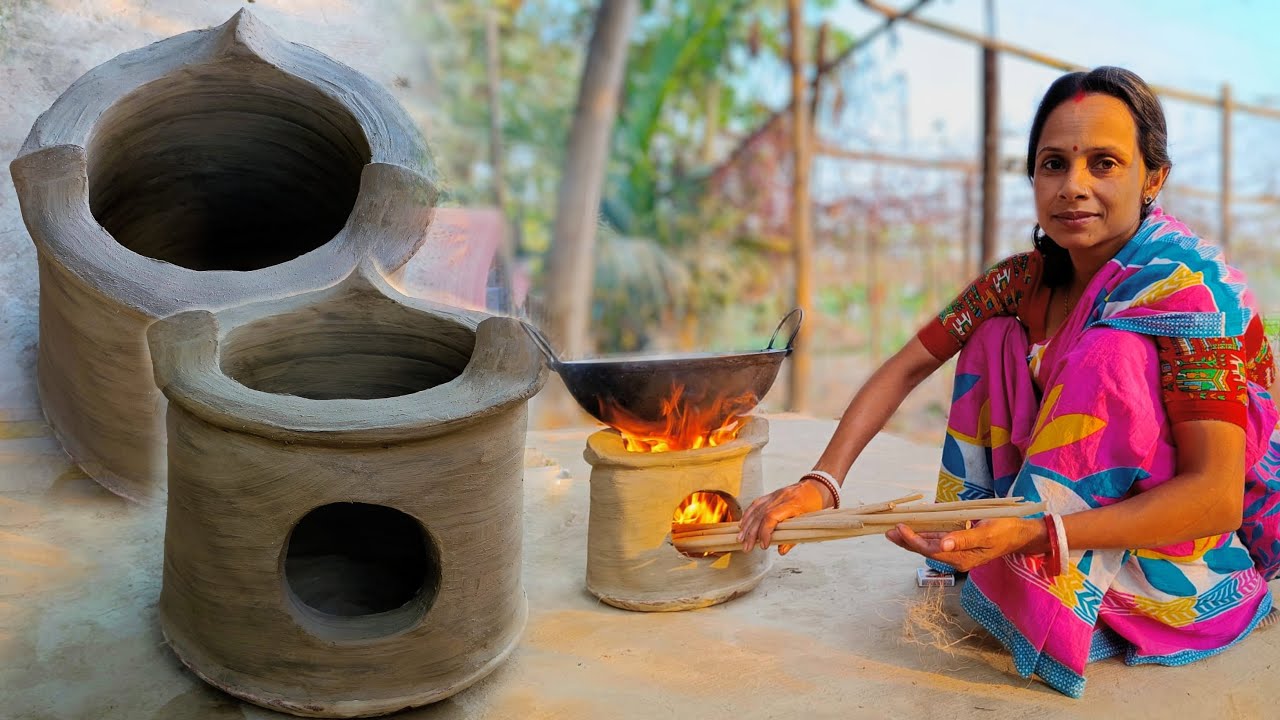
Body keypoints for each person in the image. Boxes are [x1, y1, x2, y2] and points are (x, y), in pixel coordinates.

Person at [736, 66, 1280, 698]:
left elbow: (1216, 498)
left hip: (1178, 549)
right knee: (993, 338)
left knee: (1106, 356)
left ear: (1153, 178)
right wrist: (821, 484)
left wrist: (1039, 534)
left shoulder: (1187, 292)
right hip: (1043, 522)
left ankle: (1050, 571)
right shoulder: (1023, 280)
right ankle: (991, 536)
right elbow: (908, 364)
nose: (1074, 187)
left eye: (1104, 163)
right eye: (1054, 164)